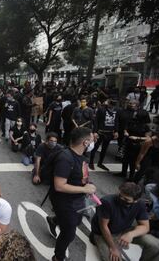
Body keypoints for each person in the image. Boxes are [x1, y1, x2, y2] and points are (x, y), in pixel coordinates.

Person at [46, 127, 97, 261]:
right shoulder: (65, 158)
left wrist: (87, 185)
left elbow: (82, 177)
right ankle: (58, 257)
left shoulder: (83, 158)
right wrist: (84, 190)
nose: (93, 142)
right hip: (63, 201)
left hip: (77, 200)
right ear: (85, 143)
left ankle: (54, 220)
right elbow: (59, 186)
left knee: (77, 221)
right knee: (68, 234)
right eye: (92, 139)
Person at [91, 182, 159, 261]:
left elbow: (145, 227)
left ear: (135, 200)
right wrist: (113, 248)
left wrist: (130, 234)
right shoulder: (107, 202)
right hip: (104, 233)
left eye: (126, 199)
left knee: (155, 245)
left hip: (124, 230)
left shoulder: (140, 204)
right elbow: (103, 226)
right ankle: (96, 239)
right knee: (114, 258)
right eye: (120, 196)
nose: (121, 199)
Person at [89, 99, 119, 171]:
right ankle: (91, 162)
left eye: (114, 104)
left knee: (104, 149)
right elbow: (96, 121)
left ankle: (100, 163)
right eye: (111, 103)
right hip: (100, 132)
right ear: (108, 103)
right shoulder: (101, 110)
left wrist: (116, 131)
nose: (112, 105)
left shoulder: (116, 110)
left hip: (109, 132)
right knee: (95, 147)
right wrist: (95, 132)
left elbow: (116, 121)